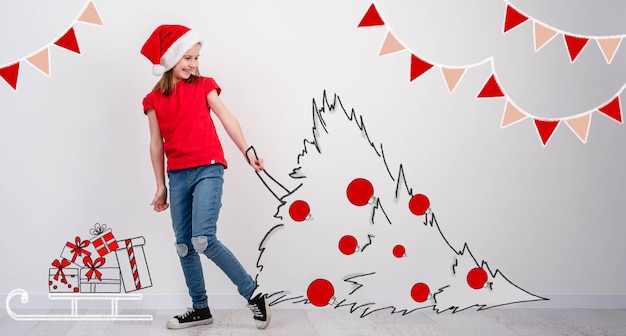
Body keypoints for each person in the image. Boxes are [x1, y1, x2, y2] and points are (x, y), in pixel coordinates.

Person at [140, 24, 270, 330]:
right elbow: (156, 144)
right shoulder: (153, 101)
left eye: (196, 58)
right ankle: (200, 308)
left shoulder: (203, 86)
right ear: (170, 59)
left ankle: (252, 293)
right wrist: (160, 186)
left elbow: (227, 117)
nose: (193, 64)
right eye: (186, 57)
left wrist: (246, 149)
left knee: (203, 239)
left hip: (208, 167)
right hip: (177, 175)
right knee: (184, 245)